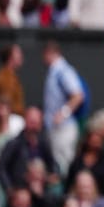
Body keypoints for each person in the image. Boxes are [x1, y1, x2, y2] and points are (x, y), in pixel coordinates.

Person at [41, 41, 85, 176]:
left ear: (50, 53)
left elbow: (78, 95)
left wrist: (63, 113)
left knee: (65, 164)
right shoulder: (55, 71)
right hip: (56, 129)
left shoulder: (63, 71)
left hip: (64, 129)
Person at [0, 44, 25, 117]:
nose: (21, 56)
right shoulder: (4, 77)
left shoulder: (12, 76)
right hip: (9, 122)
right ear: (10, 57)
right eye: (18, 53)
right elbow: (5, 105)